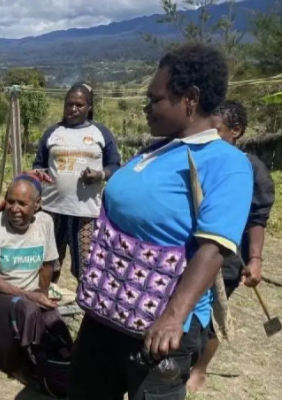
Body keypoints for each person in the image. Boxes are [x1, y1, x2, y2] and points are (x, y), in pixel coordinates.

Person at [68, 43, 253, 400]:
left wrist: (173, 316)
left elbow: (213, 248)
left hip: (160, 326)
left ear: (190, 99)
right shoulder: (156, 148)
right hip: (108, 309)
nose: (146, 107)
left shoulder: (225, 163)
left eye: (155, 100)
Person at [187, 100, 275, 392]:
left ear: (236, 131)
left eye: (216, 130)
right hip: (192, 247)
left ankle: (200, 368)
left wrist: (255, 259)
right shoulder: (200, 158)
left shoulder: (251, 169)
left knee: (214, 310)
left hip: (227, 254)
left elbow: (257, 219)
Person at [0, 175, 72, 392]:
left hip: (29, 293)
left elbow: (48, 264)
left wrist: (41, 293)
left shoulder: (45, 223)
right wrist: (29, 296)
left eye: (22, 203)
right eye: (10, 201)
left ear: (37, 204)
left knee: (53, 320)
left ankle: (57, 367)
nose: (14, 208)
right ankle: (17, 364)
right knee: (27, 309)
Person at [32, 82, 121, 281]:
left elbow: (115, 164)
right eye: (69, 104)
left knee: (87, 268)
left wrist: (100, 175)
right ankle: (44, 304)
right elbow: (38, 164)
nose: (73, 108)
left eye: (79, 105)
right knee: (47, 265)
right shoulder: (52, 132)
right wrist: (39, 175)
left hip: (86, 214)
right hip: (51, 210)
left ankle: (85, 308)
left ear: (89, 107)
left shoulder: (101, 133)